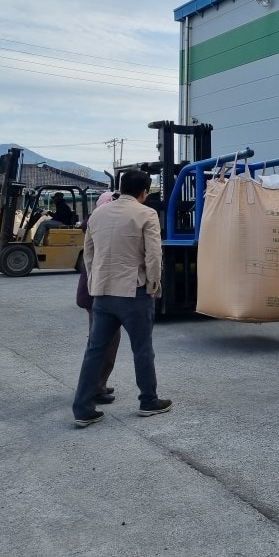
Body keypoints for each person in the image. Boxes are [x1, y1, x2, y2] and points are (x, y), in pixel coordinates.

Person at [71, 171, 169, 428]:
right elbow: (154, 255)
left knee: (95, 350)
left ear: (120, 187)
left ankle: (83, 408)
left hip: (102, 293)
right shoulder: (146, 214)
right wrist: (154, 284)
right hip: (134, 292)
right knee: (142, 349)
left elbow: (89, 254)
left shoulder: (98, 214)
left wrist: (95, 283)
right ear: (144, 192)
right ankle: (148, 400)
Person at [75, 190, 121, 404]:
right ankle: (93, 389)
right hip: (97, 293)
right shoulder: (98, 225)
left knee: (104, 342)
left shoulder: (94, 224)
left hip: (96, 292)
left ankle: (98, 384)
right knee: (103, 342)